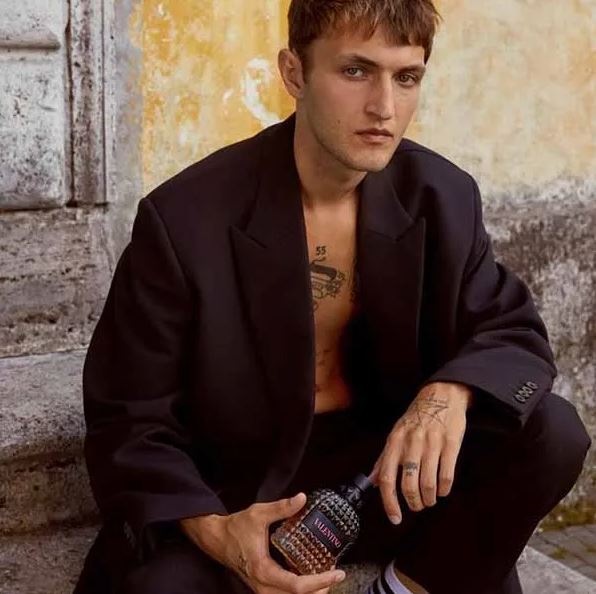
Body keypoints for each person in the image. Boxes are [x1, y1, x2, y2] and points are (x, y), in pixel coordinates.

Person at [73, 1, 591, 593]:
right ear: (294, 73)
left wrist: (448, 393)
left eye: (406, 77)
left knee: (552, 430)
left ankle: (403, 587)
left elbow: (511, 330)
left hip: (386, 481)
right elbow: (128, 419)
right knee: (159, 588)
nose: (384, 107)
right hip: (245, 489)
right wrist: (219, 533)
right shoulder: (185, 219)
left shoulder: (442, 195)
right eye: (355, 71)